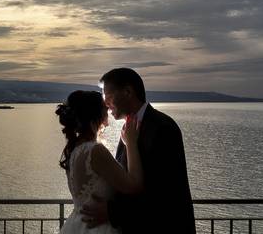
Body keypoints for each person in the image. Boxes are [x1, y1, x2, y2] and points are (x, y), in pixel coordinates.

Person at [80, 68, 196, 233]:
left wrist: (112, 212)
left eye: (109, 97)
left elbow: (164, 194)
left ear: (128, 92)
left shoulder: (163, 127)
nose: (105, 104)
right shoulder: (128, 130)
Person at [56, 90, 144, 233]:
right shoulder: (95, 151)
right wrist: (131, 143)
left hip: (78, 224)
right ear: (94, 114)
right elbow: (134, 185)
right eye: (104, 106)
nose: (108, 108)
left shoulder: (73, 149)